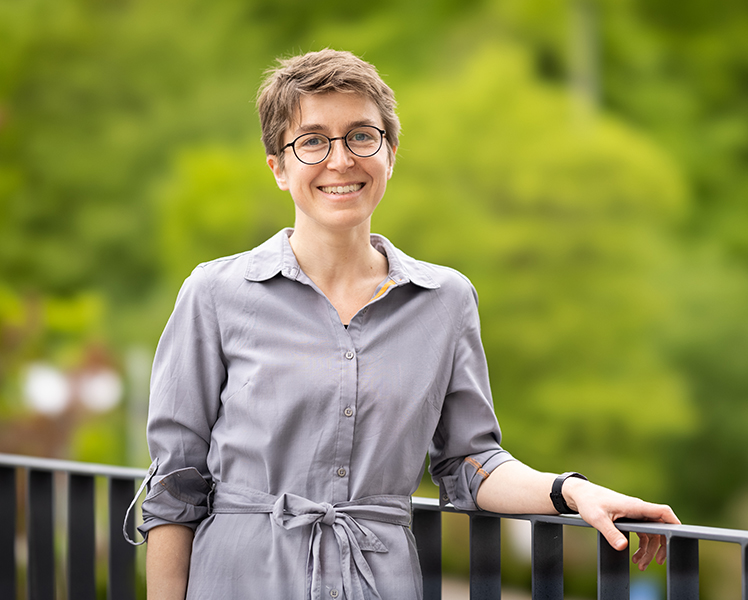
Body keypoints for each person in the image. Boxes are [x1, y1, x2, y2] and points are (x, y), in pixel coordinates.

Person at [130, 48, 679, 600]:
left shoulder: (446, 300)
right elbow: (177, 482)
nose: (341, 160)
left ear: (389, 155)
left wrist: (571, 492)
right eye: (313, 140)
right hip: (240, 579)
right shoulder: (216, 293)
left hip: (378, 582)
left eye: (361, 136)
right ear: (278, 167)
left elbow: (471, 461)